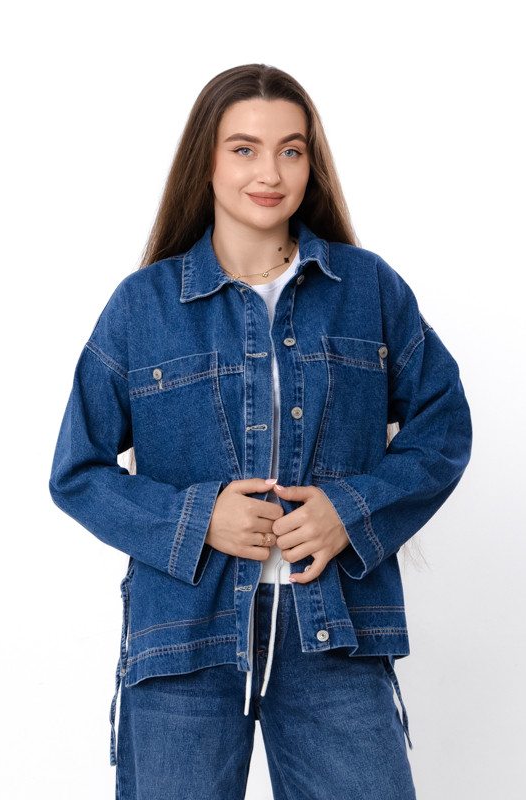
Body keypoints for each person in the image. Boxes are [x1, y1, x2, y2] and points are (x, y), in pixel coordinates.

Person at [50, 64, 472, 799]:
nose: (269, 172)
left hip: (333, 629)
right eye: (243, 148)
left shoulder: (367, 289)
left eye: (291, 150)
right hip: (183, 635)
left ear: (311, 162)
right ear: (206, 161)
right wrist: (197, 519)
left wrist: (349, 511)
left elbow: (442, 426)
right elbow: (77, 471)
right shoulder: (143, 306)